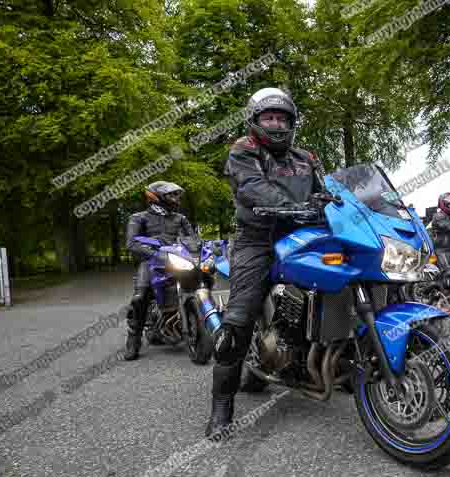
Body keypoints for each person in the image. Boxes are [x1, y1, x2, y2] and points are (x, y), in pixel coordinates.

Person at [206, 87, 325, 438]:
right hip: (257, 239)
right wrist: (296, 206)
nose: (276, 123)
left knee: (340, 283)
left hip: (304, 235)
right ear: (255, 121)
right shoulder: (244, 150)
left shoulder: (306, 156)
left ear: (291, 122)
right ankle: (222, 406)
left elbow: (329, 189)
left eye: (282, 118)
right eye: (269, 117)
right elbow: (251, 187)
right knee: (239, 319)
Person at [124, 181, 196, 360]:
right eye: (172, 195)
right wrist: (156, 256)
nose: (176, 199)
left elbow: (193, 240)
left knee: (202, 281)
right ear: (156, 197)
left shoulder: (180, 219)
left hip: (178, 259)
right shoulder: (138, 218)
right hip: (150, 262)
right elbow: (132, 243)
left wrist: (206, 249)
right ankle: (134, 339)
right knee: (140, 298)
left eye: (177, 195)